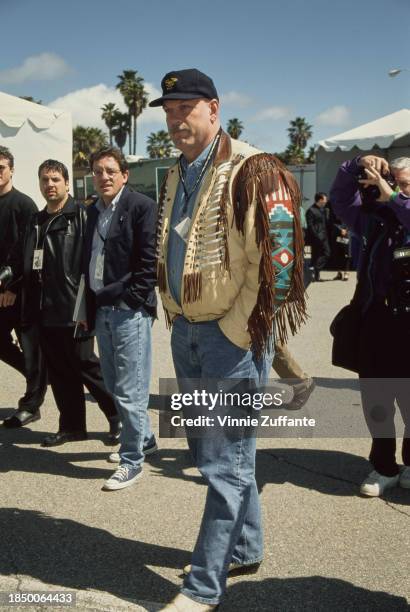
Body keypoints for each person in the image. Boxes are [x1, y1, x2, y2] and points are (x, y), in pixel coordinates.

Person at [151, 68, 306, 611]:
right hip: (186, 331)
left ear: (213, 109)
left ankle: (202, 586)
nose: (175, 120)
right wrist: (173, 306)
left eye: (185, 108)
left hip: (229, 337)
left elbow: (281, 265)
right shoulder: (175, 174)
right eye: (168, 111)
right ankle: (243, 547)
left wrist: (238, 330)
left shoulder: (256, 168)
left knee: (224, 465)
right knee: (216, 453)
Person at [0, 160, 120, 447]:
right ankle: (72, 426)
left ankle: (117, 417)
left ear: (67, 183)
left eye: (55, 179)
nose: (49, 185)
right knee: (59, 369)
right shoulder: (36, 221)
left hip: (74, 304)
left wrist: (92, 302)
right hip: (42, 307)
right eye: (44, 180)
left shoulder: (82, 216)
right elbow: (18, 260)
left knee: (84, 364)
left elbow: (95, 262)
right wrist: (5, 278)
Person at [330, 154, 410, 497]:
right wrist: (357, 164)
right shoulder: (372, 219)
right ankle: (383, 466)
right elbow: (340, 198)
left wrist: (393, 196)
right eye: (394, 181)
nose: (393, 188)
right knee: (377, 399)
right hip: (377, 320)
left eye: (405, 184)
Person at [82, 147, 158, 491]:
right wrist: (88, 310)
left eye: (111, 171)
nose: (104, 177)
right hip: (102, 309)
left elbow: (149, 261)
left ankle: (131, 462)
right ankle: (144, 437)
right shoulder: (92, 211)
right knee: (113, 385)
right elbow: (87, 264)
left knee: (130, 390)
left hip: (128, 311)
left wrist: (132, 300)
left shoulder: (140, 206)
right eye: (98, 171)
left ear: (124, 175)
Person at [0, 146, 47, 428]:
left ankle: (31, 404)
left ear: (12, 170)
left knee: (31, 348)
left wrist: (12, 287)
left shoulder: (24, 204)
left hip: (20, 292)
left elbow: (27, 252)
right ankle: (39, 376)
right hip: (0, 292)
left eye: (1, 167)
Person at [306, 192, 331, 281]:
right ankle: (316, 271)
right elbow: (310, 226)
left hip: (324, 236)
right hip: (317, 237)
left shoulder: (323, 210)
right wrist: (316, 236)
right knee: (322, 254)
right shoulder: (311, 210)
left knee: (325, 254)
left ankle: (316, 271)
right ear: (320, 200)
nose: (326, 201)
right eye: (325, 200)